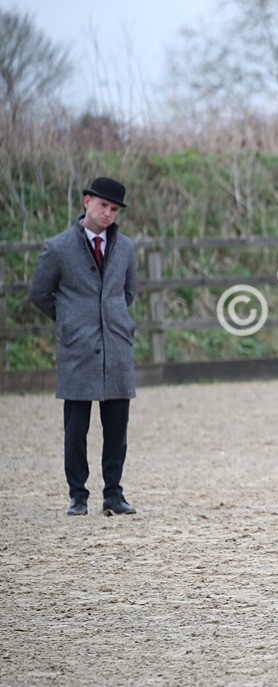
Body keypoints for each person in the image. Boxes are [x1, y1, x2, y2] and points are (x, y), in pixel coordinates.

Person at [29, 177, 138, 516]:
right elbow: (39, 294)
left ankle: (114, 494)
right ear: (87, 202)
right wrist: (69, 321)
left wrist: (114, 320)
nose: (108, 214)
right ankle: (78, 495)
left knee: (116, 428)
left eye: (114, 209)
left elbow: (128, 293)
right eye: (103, 205)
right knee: (76, 429)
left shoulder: (127, 247)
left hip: (117, 347)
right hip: (77, 348)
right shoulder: (58, 247)